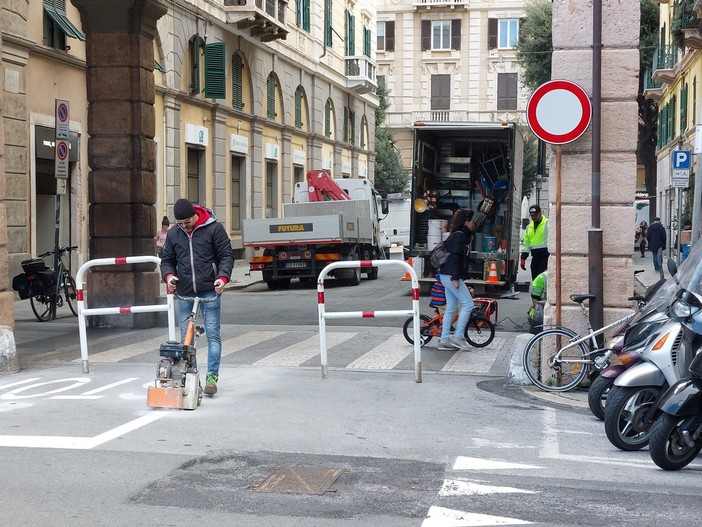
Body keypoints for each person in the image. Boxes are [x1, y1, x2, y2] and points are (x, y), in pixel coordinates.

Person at [160, 198, 234, 396]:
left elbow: (226, 255)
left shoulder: (214, 229)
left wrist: (222, 278)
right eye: (180, 223)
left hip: (209, 290)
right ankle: (188, 378)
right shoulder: (175, 234)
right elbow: (167, 260)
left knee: (213, 334)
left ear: (195, 214)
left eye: (187, 222)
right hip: (184, 292)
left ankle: (212, 377)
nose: (184, 226)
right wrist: (169, 276)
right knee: (187, 340)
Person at [436, 209, 476, 351]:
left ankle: (444, 340)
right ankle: (458, 337)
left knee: (451, 307)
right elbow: (455, 257)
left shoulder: (457, 234)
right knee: (468, 304)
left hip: (445, 274)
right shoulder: (460, 236)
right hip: (450, 275)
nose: (473, 223)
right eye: (472, 221)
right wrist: (455, 277)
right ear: (466, 222)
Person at [520, 204, 550, 280]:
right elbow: (526, 244)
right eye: (532, 216)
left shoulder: (548, 224)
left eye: (536, 215)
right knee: (535, 277)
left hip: (545, 257)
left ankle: (542, 292)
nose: (534, 217)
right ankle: (536, 292)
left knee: (541, 278)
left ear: (540, 213)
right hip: (535, 257)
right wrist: (523, 258)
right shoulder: (529, 227)